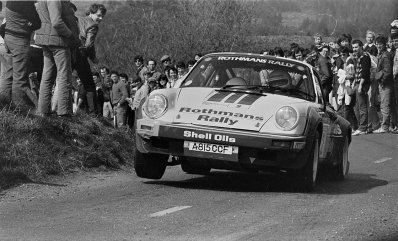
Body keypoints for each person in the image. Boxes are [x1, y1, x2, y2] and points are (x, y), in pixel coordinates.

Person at [36, 0, 81, 117]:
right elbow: (56, 22)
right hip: (59, 41)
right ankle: (64, 112)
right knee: (64, 76)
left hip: (46, 41)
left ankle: (43, 111)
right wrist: (70, 35)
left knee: (47, 76)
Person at [2, 1, 41, 110]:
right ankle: (19, 109)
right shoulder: (27, 3)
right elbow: (37, 23)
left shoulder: (10, 1)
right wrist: (27, 25)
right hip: (20, 41)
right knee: (20, 80)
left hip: (8, 38)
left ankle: (4, 103)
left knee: (8, 75)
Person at [75, 3, 107, 115]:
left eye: (102, 16)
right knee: (89, 85)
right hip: (80, 54)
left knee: (62, 80)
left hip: (69, 51)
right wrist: (93, 58)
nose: (101, 18)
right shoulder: (93, 25)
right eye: (99, 15)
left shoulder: (78, 19)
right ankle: (94, 115)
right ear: (91, 12)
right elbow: (89, 45)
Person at [374, 35, 395, 133]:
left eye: (380, 44)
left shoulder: (385, 55)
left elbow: (388, 72)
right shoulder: (383, 54)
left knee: (385, 105)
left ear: (384, 44)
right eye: (377, 44)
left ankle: (385, 126)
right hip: (386, 83)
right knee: (387, 104)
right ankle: (390, 125)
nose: (378, 46)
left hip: (386, 84)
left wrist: (382, 82)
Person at [352, 39, 372, 136]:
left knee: (362, 107)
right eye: (353, 47)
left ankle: (363, 127)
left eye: (356, 47)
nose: (354, 49)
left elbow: (365, 72)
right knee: (358, 106)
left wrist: (360, 85)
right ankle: (362, 126)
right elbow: (358, 71)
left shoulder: (365, 57)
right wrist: (354, 82)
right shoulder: (359, 57)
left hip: (362, 84)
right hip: (357, 83)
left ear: (361, 47)